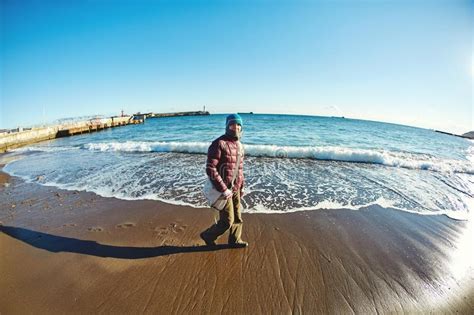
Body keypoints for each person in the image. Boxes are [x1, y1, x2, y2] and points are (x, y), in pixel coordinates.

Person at [200, 114, 248, 248]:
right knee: (227, 221)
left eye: (239, 125)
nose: (236, 127)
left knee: (238, 217)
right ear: (227, 126)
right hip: (223, 190)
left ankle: (235, 240)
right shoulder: (219, 143)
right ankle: (208, 235)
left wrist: (242, 186)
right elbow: (210, 168)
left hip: (236, 188)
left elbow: (240, 168)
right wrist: (224, 189)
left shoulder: (240, 145)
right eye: (233, 124)